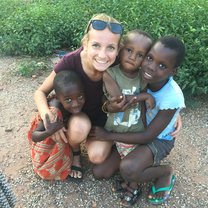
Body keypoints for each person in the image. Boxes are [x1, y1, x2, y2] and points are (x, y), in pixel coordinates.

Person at [89, 36, 186, 206]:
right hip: (135, 131)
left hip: (157, 139)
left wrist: (108, 136)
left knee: (128, 169)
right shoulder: (143, 75)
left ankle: (164, 172)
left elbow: (148, 136)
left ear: (173, 72)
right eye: (149, 58)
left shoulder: (172, 96)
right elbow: (113, 96)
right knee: (100, 172)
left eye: (162, 66)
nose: (151, 67)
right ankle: (134, 166)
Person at [33, 13, 123, 179]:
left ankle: (118, 143)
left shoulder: (120, 61)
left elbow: (148, 72)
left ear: (118, 50)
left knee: (97, 157)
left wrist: (174, 110)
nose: (103, 55)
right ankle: (75, 154)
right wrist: (48, 117)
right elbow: (40, 92)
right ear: (85, 44)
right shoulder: (71, 61)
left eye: (110, 47)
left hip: (104, 120)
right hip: (79, 116)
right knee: (79, 128)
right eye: (96, 45)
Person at [103, 29, 154, 159]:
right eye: (129, 50)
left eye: (140, 55)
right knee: (102, 169)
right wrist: (145, 96)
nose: (132, 57)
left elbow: (142, 106)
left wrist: (145, 129)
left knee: (131, 167)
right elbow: (121, 100)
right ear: (120, 49)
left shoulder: (142, 77)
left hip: (135, 132)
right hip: (113, 130)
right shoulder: (109, 74)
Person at [28, 70, 85, 180]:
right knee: (47, 172)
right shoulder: (53, 112)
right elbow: (35, 136)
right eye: (68, 100)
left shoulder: (70, 103)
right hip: (45, 144)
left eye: (80, 97)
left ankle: (71, 156)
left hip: (59, 139)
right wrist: (49, 131)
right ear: (58, 97)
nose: (75, 103)